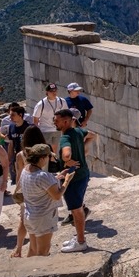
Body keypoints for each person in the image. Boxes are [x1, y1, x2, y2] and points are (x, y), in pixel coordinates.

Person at [20, 144, 73, 257]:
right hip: (43, 218)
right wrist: (66, 181)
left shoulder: (25, 170)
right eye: (48, 157)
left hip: (30, 216)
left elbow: (40, 186)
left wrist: (57, 178)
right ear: (42, 158)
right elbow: (57, 195)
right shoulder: (42, 175)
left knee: (33, 250)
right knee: (43, 253)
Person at [54, 108, 93, 251]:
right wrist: (84, 149)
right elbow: (93, 135)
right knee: (78, 208)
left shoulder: (65, 138)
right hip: (83, 174)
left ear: (66, 121)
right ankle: (78, 237)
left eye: (56, 120)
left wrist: (67, 159)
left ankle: (81, 242)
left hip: (73, 179)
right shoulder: (78, 131)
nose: (54, 122)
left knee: (76, 211)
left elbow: (66, 154)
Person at [11, 125, 51, 258]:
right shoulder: (45, 152)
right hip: (43, 189)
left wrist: (17, 191)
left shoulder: (21, 155)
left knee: (23, 221)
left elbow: (18, 175)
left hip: (26, 189)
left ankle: (18, 248)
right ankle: (39, 250)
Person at [2, 104, 31, 186]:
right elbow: (11, 143)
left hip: (28, 157)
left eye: (13, 115)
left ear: (20, 115)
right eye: (10, 115)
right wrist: (9, 158)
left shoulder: (28, 127)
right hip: (17, 156)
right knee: (19, 175)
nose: (10, 117)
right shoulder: (11, 127)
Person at [33, 83, 67, 147]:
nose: (54, 93)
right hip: (45, 130)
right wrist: (36, 132)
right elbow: (36, 119)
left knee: (55, 151)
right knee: (46, 149)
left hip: (57, 129)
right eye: (51, 91)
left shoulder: (62, 101)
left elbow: (66, 114)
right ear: (47, 92)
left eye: (55, 90)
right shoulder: (41, 104)